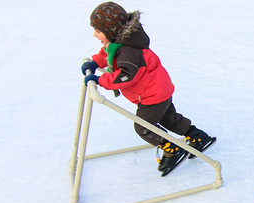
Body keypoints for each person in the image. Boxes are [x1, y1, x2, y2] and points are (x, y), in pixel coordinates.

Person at [81, 2, 215, 177]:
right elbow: (107, 53)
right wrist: (94, 62)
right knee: (169, 119)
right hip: (158, 89)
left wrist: (99, 80)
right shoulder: (118, 42)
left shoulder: (129, 51)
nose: (94, 34)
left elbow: (126, 76)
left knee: (143, 127)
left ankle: (171, 149)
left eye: (98, 31)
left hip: (152, 95)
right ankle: (198, 137)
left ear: (111, 30)